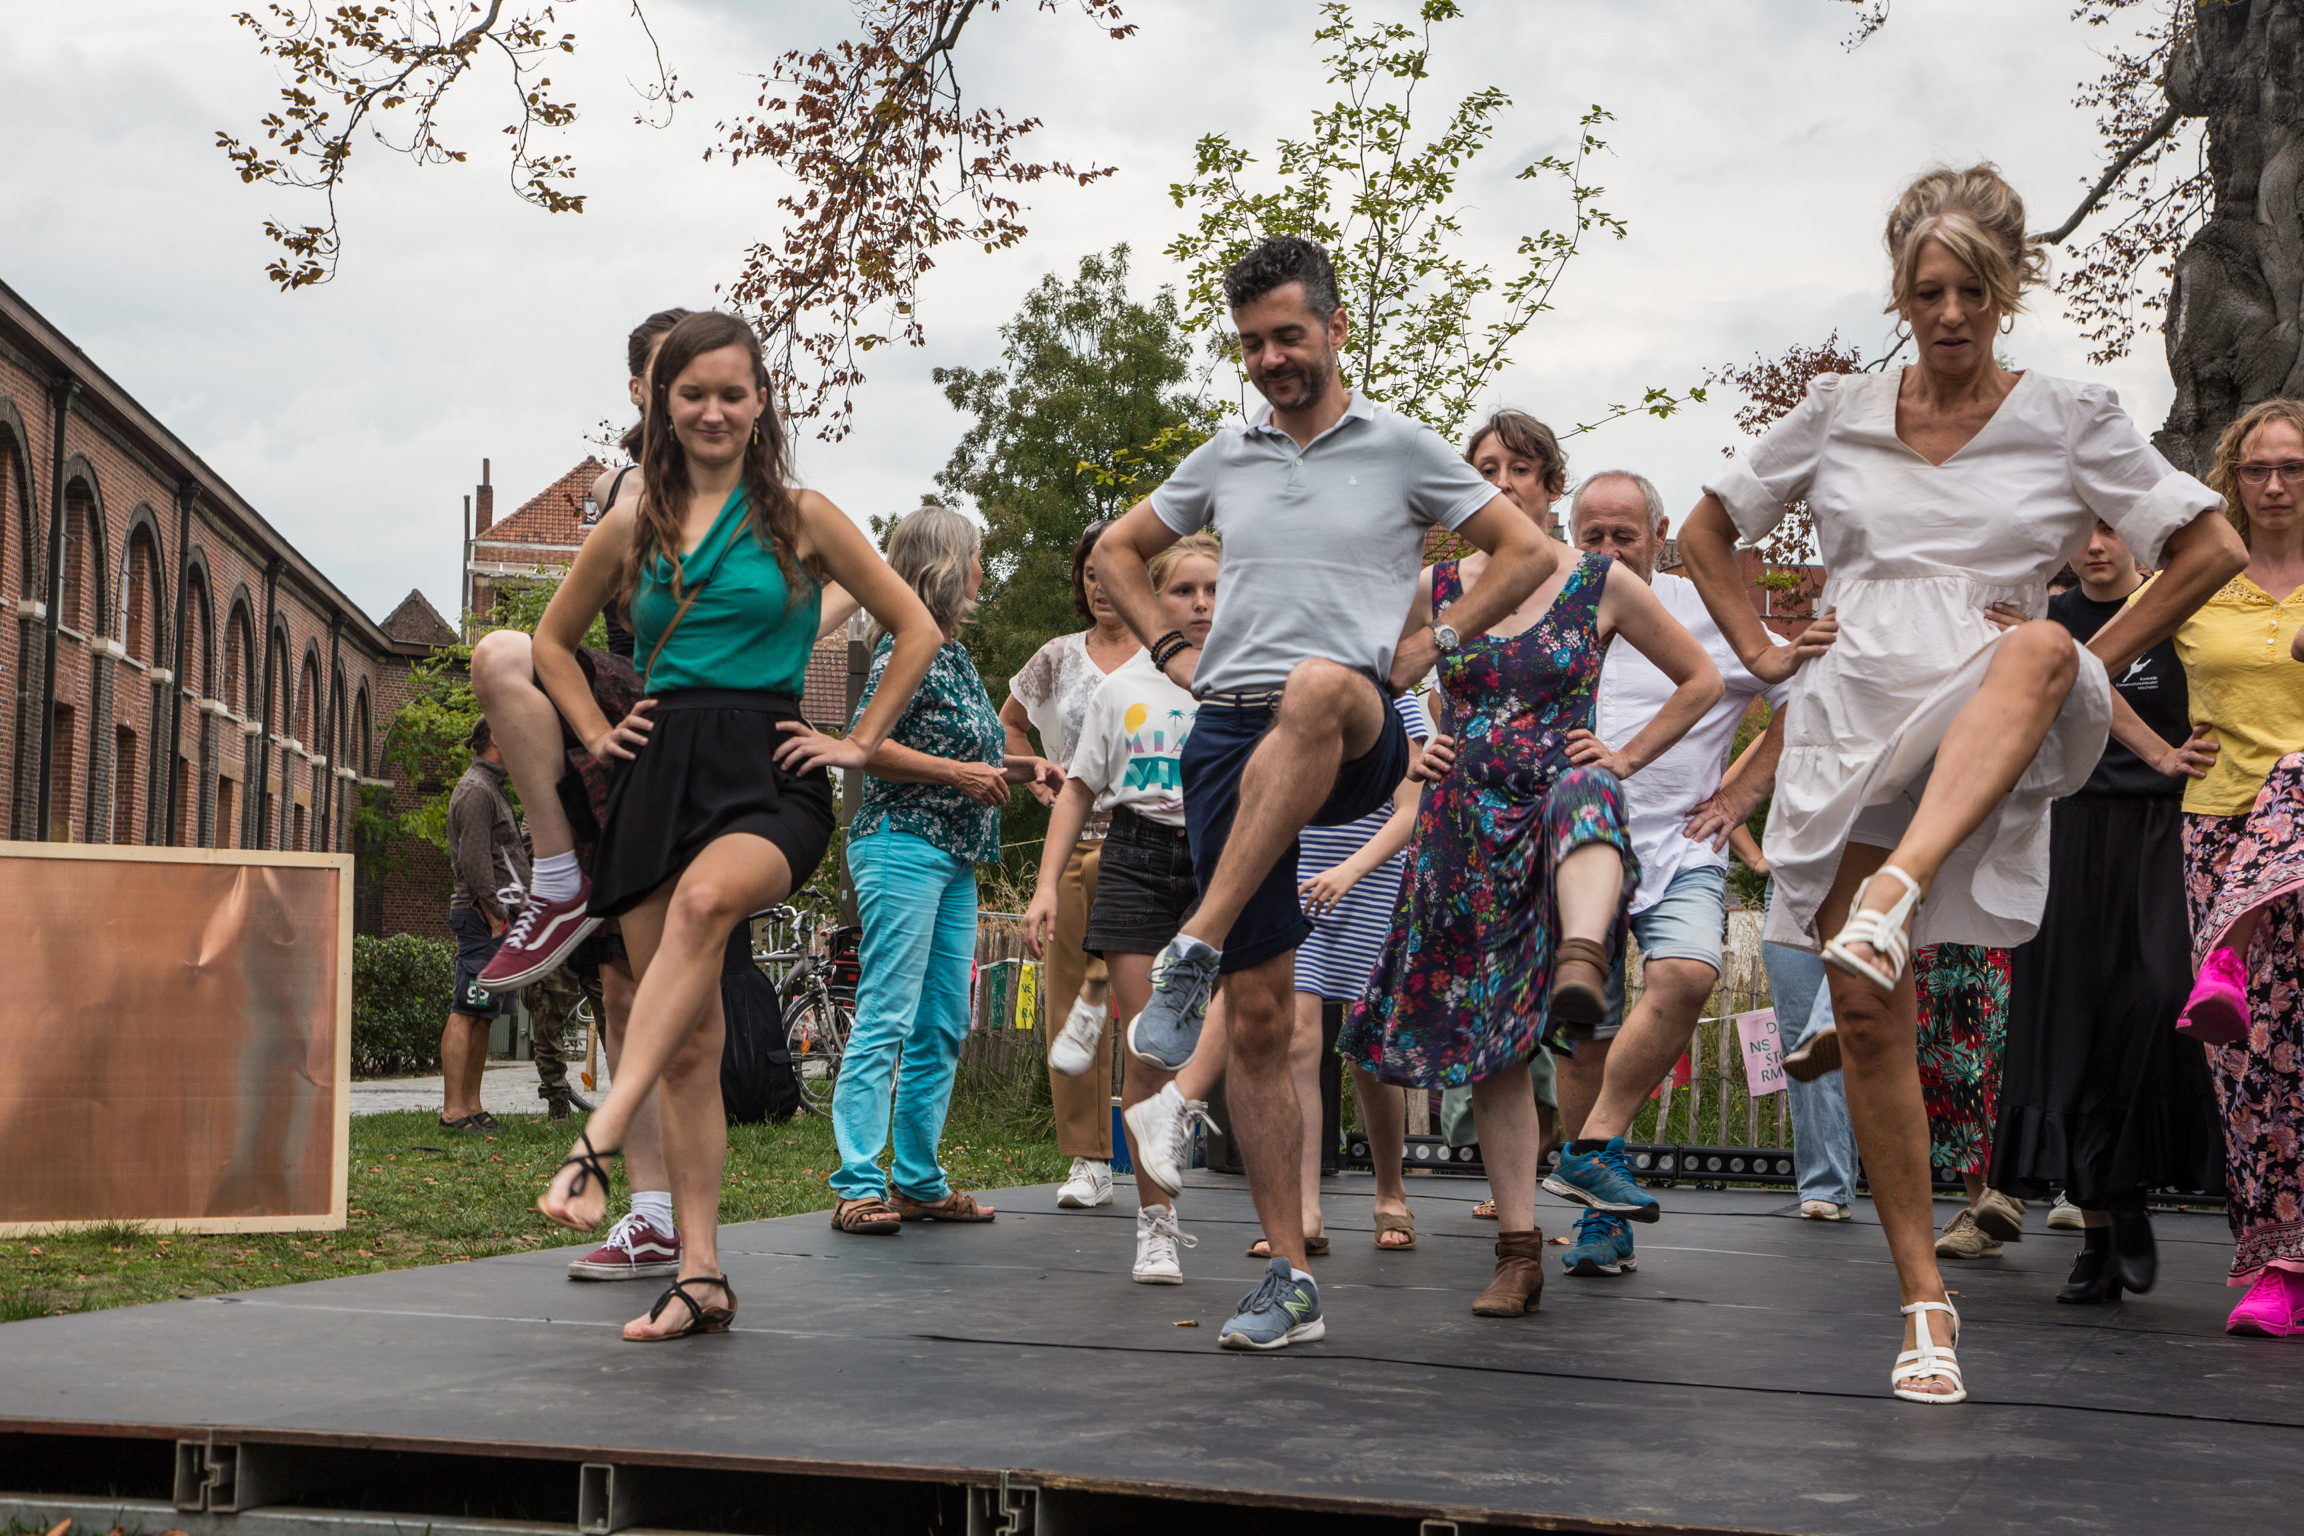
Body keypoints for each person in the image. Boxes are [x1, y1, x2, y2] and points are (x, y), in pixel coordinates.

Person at [1674, 163, 2243, 1403]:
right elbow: (1702, 532)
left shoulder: (2071, 413)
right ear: (1900, 294)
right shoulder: (1836, 409)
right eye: (1925, 291)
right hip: (1847, 722)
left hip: (1996, 701)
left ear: (2005, 292)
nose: (1946, 314)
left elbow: (2211, 545)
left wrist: (2092, 663)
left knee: (2038, 645)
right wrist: (1768, 655)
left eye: (1971, 292)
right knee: (1874, 1020)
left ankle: (1897, 901)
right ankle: (1925, 1301)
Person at [1092, 235, 1556, 1351]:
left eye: (1288, 336)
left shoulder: (1403, 449)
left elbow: (1528, 552)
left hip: (1352, 724)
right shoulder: (1226, 456)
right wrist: (1167, 648)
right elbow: (1116, 548)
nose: (1270, 360)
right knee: (1261, 1019)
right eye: (1251, 343)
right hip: (1229, 741)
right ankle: (1289, 1279)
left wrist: (1428, 644)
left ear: (1336, 328)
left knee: (1313, 685)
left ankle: (1190, 945)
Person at [531, 310, 943, 1344]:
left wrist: (854, 741)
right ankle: (702, 1273)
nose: (713, 410)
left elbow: (916, 626)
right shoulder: (633, 525)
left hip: (768, 769)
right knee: (686, 1046)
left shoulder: (803, 516)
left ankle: (598, 1136)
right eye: (691, 394)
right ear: (662, 407)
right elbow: (549, 639)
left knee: (711, 902)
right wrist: (593, 728)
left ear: (761, 402)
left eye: (732, 391)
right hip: (658, 768)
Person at [1342, 455, 1722, 1318]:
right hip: (1462, 827)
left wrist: (1627, 754)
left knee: (1590, 785)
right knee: (1493, 1043)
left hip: (1564, 826)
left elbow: (1699, 679)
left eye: (1520, 469)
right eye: (1483, 470)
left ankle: (1581, 961)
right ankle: (1518, 1252)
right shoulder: (1436, 587)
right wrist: (1406, 751)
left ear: (1551, 486)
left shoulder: (1599, 581)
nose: (1502, 481)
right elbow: (1362, 680)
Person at [1531, 468, 1783, 1284]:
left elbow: (1805, 694)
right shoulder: (1548, 600)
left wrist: (1742, 792)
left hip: (1681, 845)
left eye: (1623, 536)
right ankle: (1603, 1223)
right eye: (1591, 535)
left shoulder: (1705, 610)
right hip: (1573, 853)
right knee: (1585, 1041)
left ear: (1662, 532)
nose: (1605, 551)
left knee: (1687, 972)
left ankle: (1592, 1146)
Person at [1987, 518, 2226, 1303]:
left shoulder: (2179, 612)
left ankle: (2123, 1181)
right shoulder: (2044, 627)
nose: (2095, 545)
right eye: (2081, 529)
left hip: (2163, 830)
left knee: (2161, 996)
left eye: (2111, 528)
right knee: (2071, 1027)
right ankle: (2099, 1231)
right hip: (2064, 834)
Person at [829, 505, 1062, 1236]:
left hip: (955, 857)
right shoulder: (910, 643)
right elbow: (866, 745)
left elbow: (975, 758)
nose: (983, 573)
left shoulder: (953, 655)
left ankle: (919, 1182)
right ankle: (858, 1185)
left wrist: (1026, 768)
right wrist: (959, 774)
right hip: (902, 842)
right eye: (977, 559)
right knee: (889, 1014)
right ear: (947, 564)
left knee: (942, 1023)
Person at [1025, 534, 1219, 1280]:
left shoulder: (1244, 680)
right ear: (1153, 599)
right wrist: (1045, 886)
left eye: (1212, 590)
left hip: (1218, 859)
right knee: (1147, 1050)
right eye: (1183, 591)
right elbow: (1076, 789)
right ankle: (1156, 1226)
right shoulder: (1123, 689)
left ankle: (1291, 1221)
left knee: (1244, 1033)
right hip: (1138, 853)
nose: (1200, 604)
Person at [2165, 397, 2304, 1336]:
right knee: (2248, 1063)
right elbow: (2090, 662)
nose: (2275, 484)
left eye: (2293, 467)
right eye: (2257, 469)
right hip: (2217, 823)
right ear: (2232, 477)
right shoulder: (2201, 575)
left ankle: (2225, 952)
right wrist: (2150, 746)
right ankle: (2275, 1265)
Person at [1003, 520, 1142, 1209]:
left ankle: (1153, 1148)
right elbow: (1010, 724)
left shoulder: (1168, 655)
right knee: (1072, 1003)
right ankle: (1089, 1161)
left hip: (1153, 842)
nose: (1100, 586)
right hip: (1076, 839)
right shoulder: (1055, 657)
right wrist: (1031, 769)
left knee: (1147, 1004)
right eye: (1089, 573)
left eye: (1112, 571)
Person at [1296, 692, 1429, 1252]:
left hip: (1371, 882)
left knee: (1369, 1054)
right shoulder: (1289, 687)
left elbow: (1411, 810)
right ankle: (1303, 1207)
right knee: (1297, 1041)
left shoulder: (1401, 701)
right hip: (1296, 879)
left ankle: (1390, 1190)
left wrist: (1349, 871)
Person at [441, 719, 526, 1133]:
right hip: (482, 920)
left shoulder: (491, 787)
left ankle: (471, 1104)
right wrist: (494, 915)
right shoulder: (476, 790)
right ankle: (452, 1110)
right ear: (496, 735)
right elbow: (473, 863)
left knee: (483, 1014)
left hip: (496, 921)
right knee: (466, 1009)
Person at [1914, 943, 2023, 1259]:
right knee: (1938, 1064)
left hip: (1989, 930)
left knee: (1977, 1064)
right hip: (1936, 937)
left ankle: (1996, 1201)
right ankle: (1983, 1209)